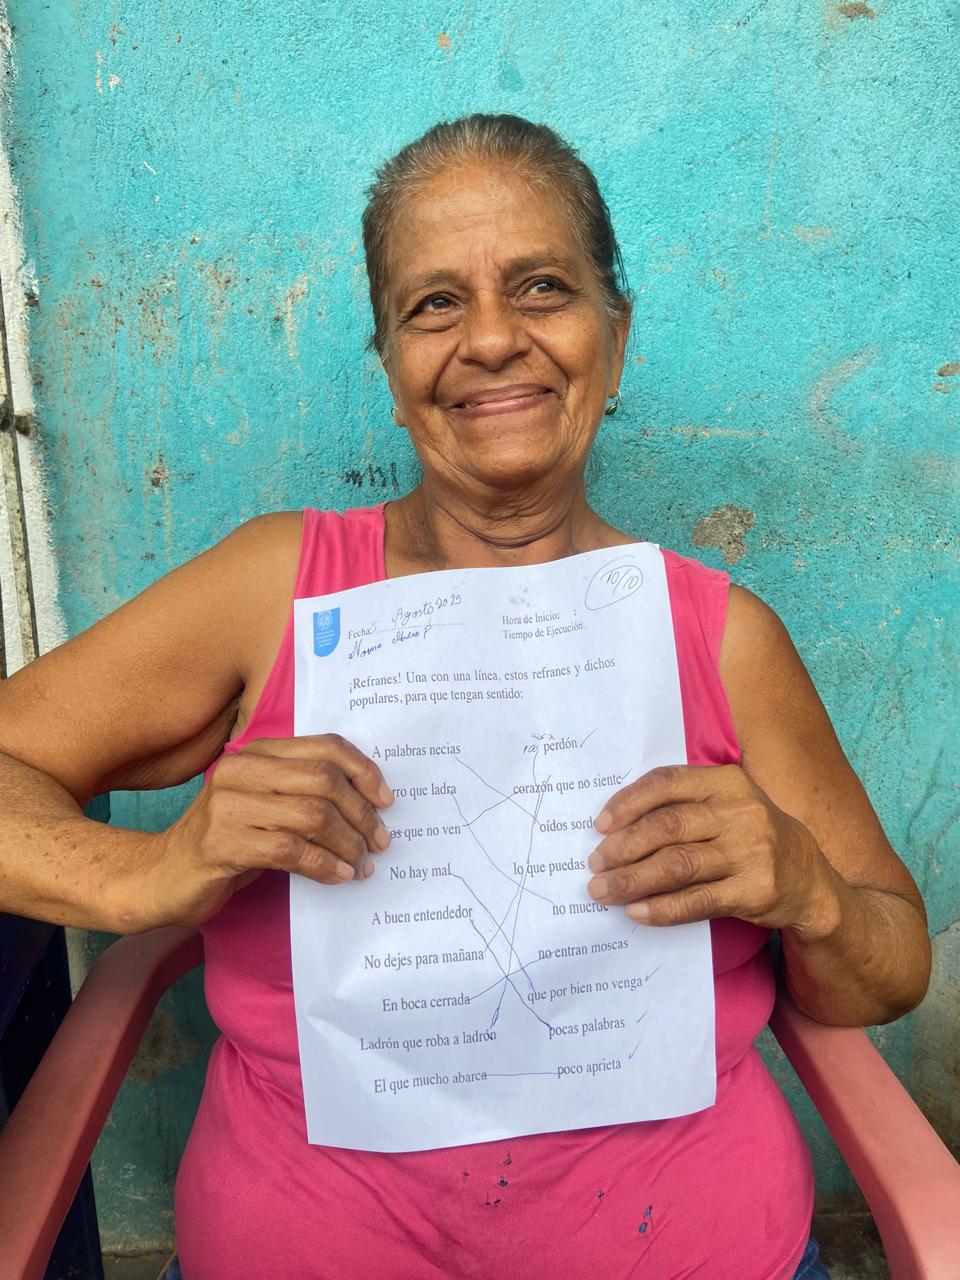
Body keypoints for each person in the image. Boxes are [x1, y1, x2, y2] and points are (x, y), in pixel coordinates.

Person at [0, 115, 929, 1280]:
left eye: (542, 287)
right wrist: (148, 874)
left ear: (615, 337)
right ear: (392, 369)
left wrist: (809, 890)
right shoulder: (273, 591)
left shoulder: (719, 636)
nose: (491, 339)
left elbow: (892, 964)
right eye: (434, 304)